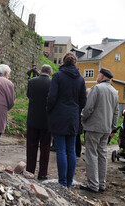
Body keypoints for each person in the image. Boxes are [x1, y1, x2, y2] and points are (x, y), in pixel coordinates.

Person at [47, 52, 86, 189]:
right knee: (71, 151)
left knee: (61, 151)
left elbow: (52, 97)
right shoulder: (81, 79)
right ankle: (69, 183)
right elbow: (83, 101)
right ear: (75, 63)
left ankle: (62, 182)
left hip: (59, 116)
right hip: (74, 117)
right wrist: (75, 110)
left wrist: (49, 110)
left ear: (63, 62)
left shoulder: (58, 76)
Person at [80, 68, 119, 193]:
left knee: (91, 155)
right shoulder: (114, 91)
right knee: (102, 155)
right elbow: (116, 112)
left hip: (94, 126)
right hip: (106, 128)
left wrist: (82, 118)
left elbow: (88, 108)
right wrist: (113, 127)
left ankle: (93, 185)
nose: (97, 76)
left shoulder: (97, 88)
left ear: (102, 76)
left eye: (98, 74)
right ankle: (101, 184)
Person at [26, 64, 53, 180]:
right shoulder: (52, 83)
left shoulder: (32, 81)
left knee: (31, 145)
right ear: (50, 73)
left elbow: (28, 95)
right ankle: (42, 173)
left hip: (33, 118)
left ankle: (30, 170)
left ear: (41, 71)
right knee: (45, 147)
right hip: (47, 120)